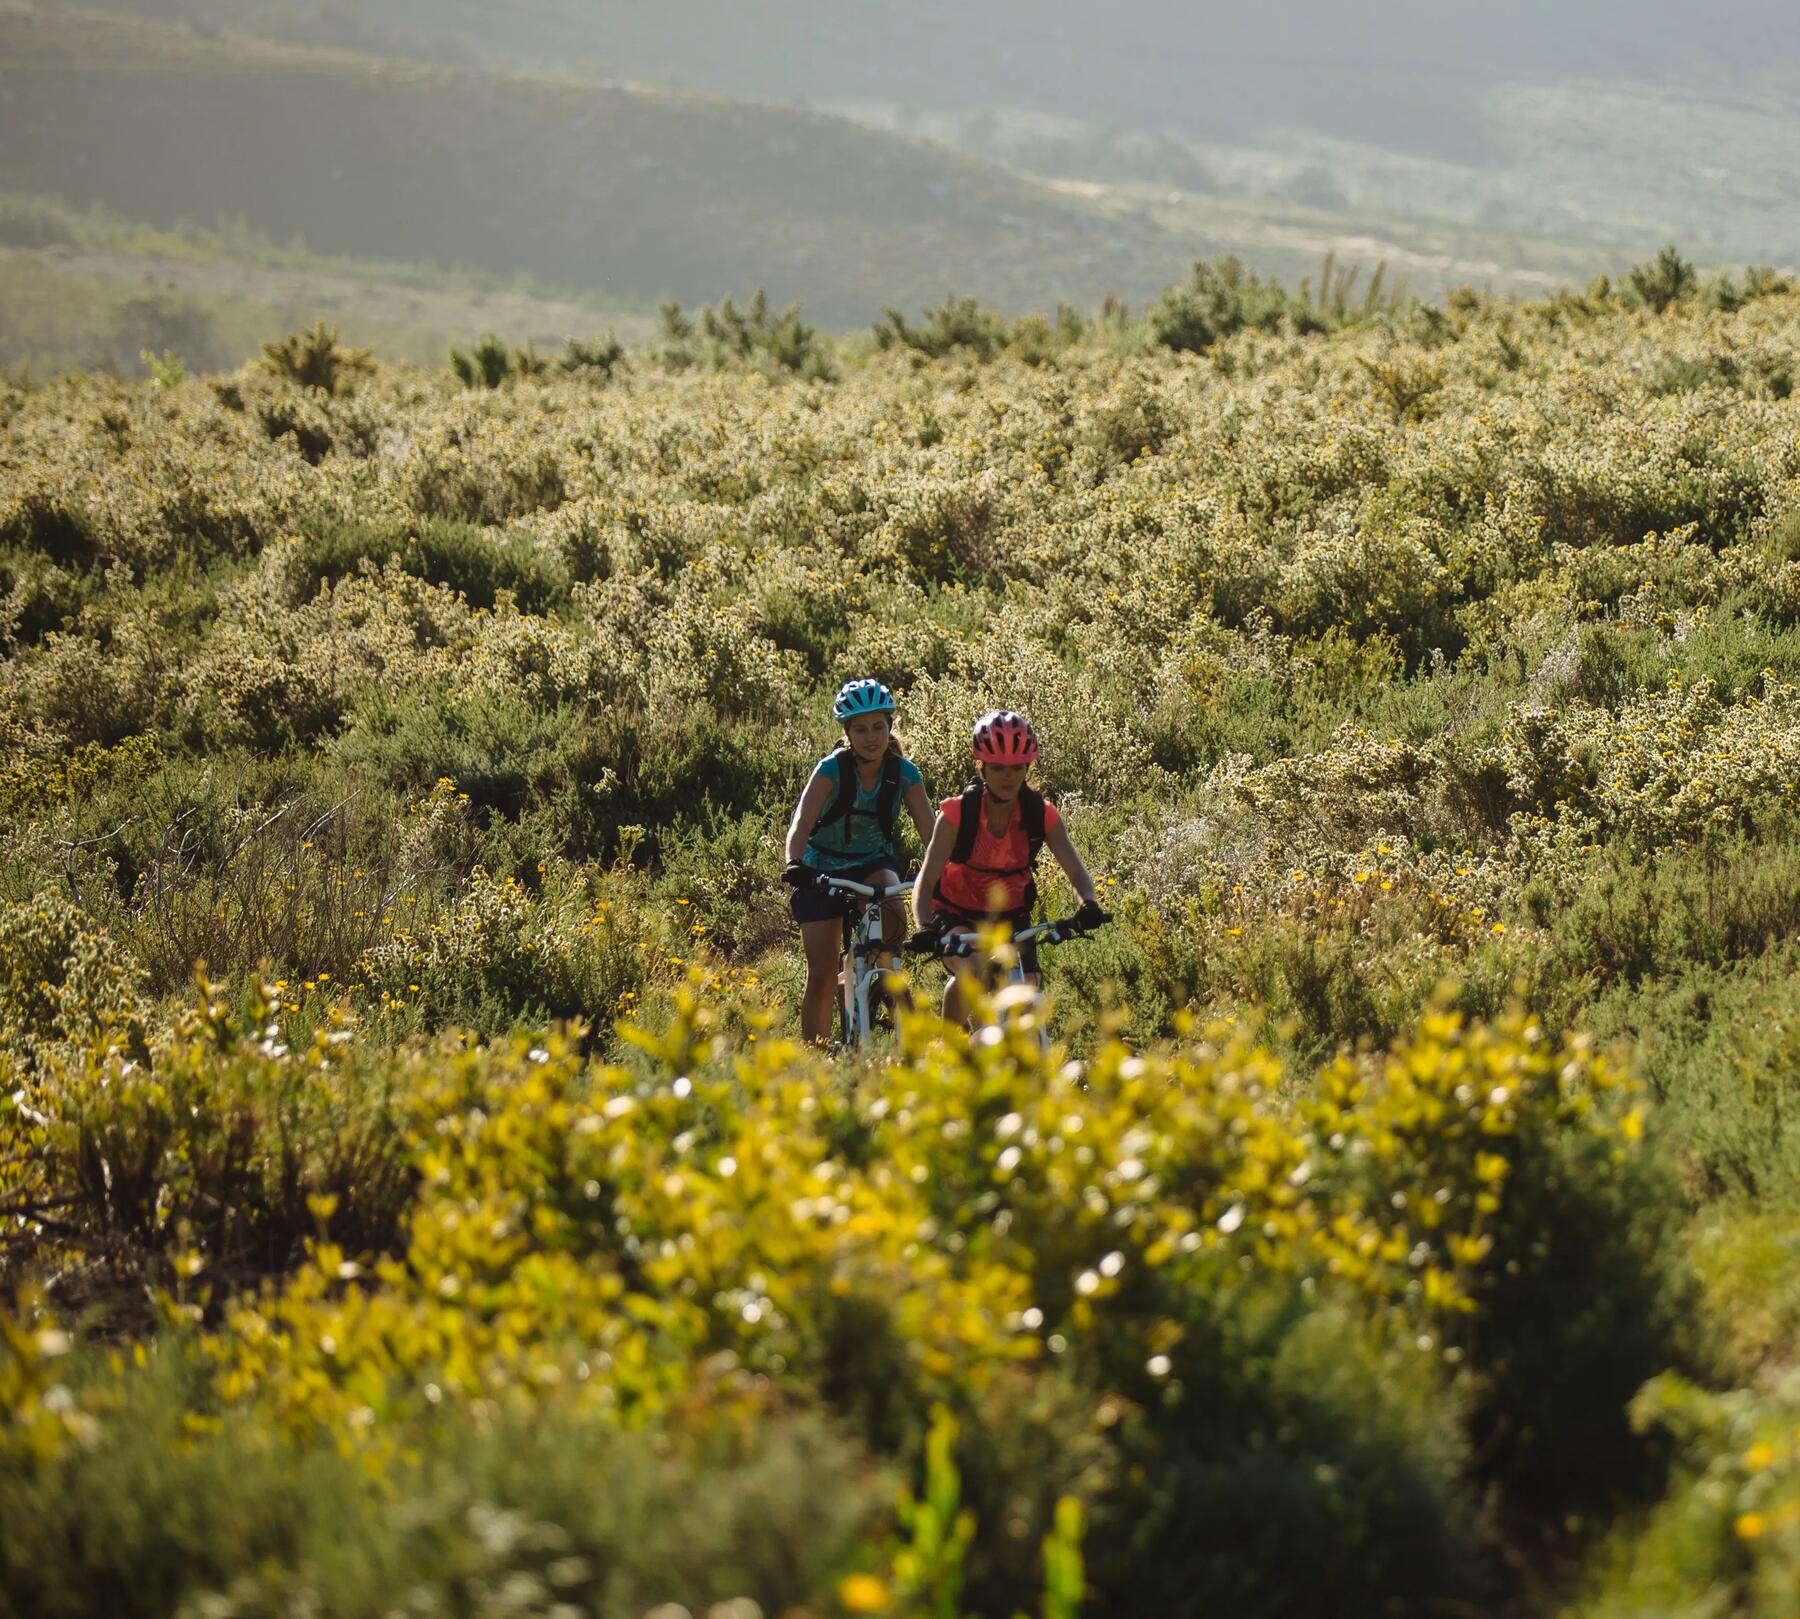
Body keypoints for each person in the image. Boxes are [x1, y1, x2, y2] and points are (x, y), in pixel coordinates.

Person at [912, 709, 1106, 1024]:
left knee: (1027, 993)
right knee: (971, 973)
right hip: (956, 912)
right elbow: (926, 880)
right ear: (982, 767)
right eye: (998, 768)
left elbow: (1077, 873)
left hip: (1011, 916)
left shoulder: (1041, 815)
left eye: (1017, 768)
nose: (1008, 776)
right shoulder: (957, 815)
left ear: (1027, 768)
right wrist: (924, 927)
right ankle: (949, 1053)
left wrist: (1088, 904)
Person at [782, 679, 935, 1046]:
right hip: (821, 869)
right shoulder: (831, 770)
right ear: (847, 732)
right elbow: (802, 822)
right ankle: (816, 1058)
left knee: (891, 934)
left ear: (890, 726)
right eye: (861, 729)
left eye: (878, 727)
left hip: (870, 863)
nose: (871, 737)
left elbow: (932, 833)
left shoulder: (905, 774)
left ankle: (882, 991)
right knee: (820, 972)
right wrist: (795, 863)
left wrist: (942, 871)